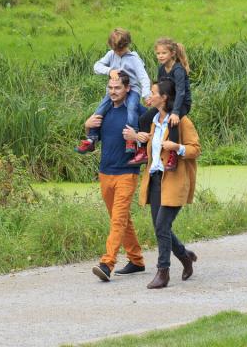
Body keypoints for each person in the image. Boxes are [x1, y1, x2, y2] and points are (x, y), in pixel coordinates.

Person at [125, 78, 200, 289]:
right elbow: (150, 147)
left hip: (175, 180)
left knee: (161, 225)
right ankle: (185, 256)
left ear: (164, 97)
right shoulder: (153, 120)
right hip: (156, 179)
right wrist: (137, 137)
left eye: (153, 92)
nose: (150, 95)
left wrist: (177, 147)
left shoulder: (182, 121)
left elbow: (195, 149)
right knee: (161, 228)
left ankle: (163, 272)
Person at [85, 70, 147, 282]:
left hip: (127, 173)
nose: (113, 92)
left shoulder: (137, 110)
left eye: (117, 88)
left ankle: (107, 263)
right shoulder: (103, 112)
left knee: (118, 219)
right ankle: (137, 260)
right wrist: (87, 127)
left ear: (127, 88)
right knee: (120, 219)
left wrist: (136, 136)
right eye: (110, 88)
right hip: (105, 172)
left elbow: (154, 136)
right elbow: (92, 145)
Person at [76, 28, 151, 155]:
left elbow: (143, 77)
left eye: (120, 50)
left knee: (132, 108)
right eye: (115, 50)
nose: (118, 53)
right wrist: (110, 71)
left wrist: (146, 94)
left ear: (127, 45)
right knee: (100, 109)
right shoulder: (111, 54)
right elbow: (96, 67)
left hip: (132, 89)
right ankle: (91, 139)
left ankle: (131, 140)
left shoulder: (134, 58)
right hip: (114, 89)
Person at [127, 38, 192, 171]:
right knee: (144, 119)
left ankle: (173, 155)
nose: (160, 56)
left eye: (164, 53)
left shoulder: (178, 70)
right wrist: (152, 98)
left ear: (172, 53)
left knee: (172, 121)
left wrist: (175, 113)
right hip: (167, 101)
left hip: (181, 103)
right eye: (158, 53)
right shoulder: (162, 68)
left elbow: (180, 92)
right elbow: (160, 88)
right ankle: (143, 150)